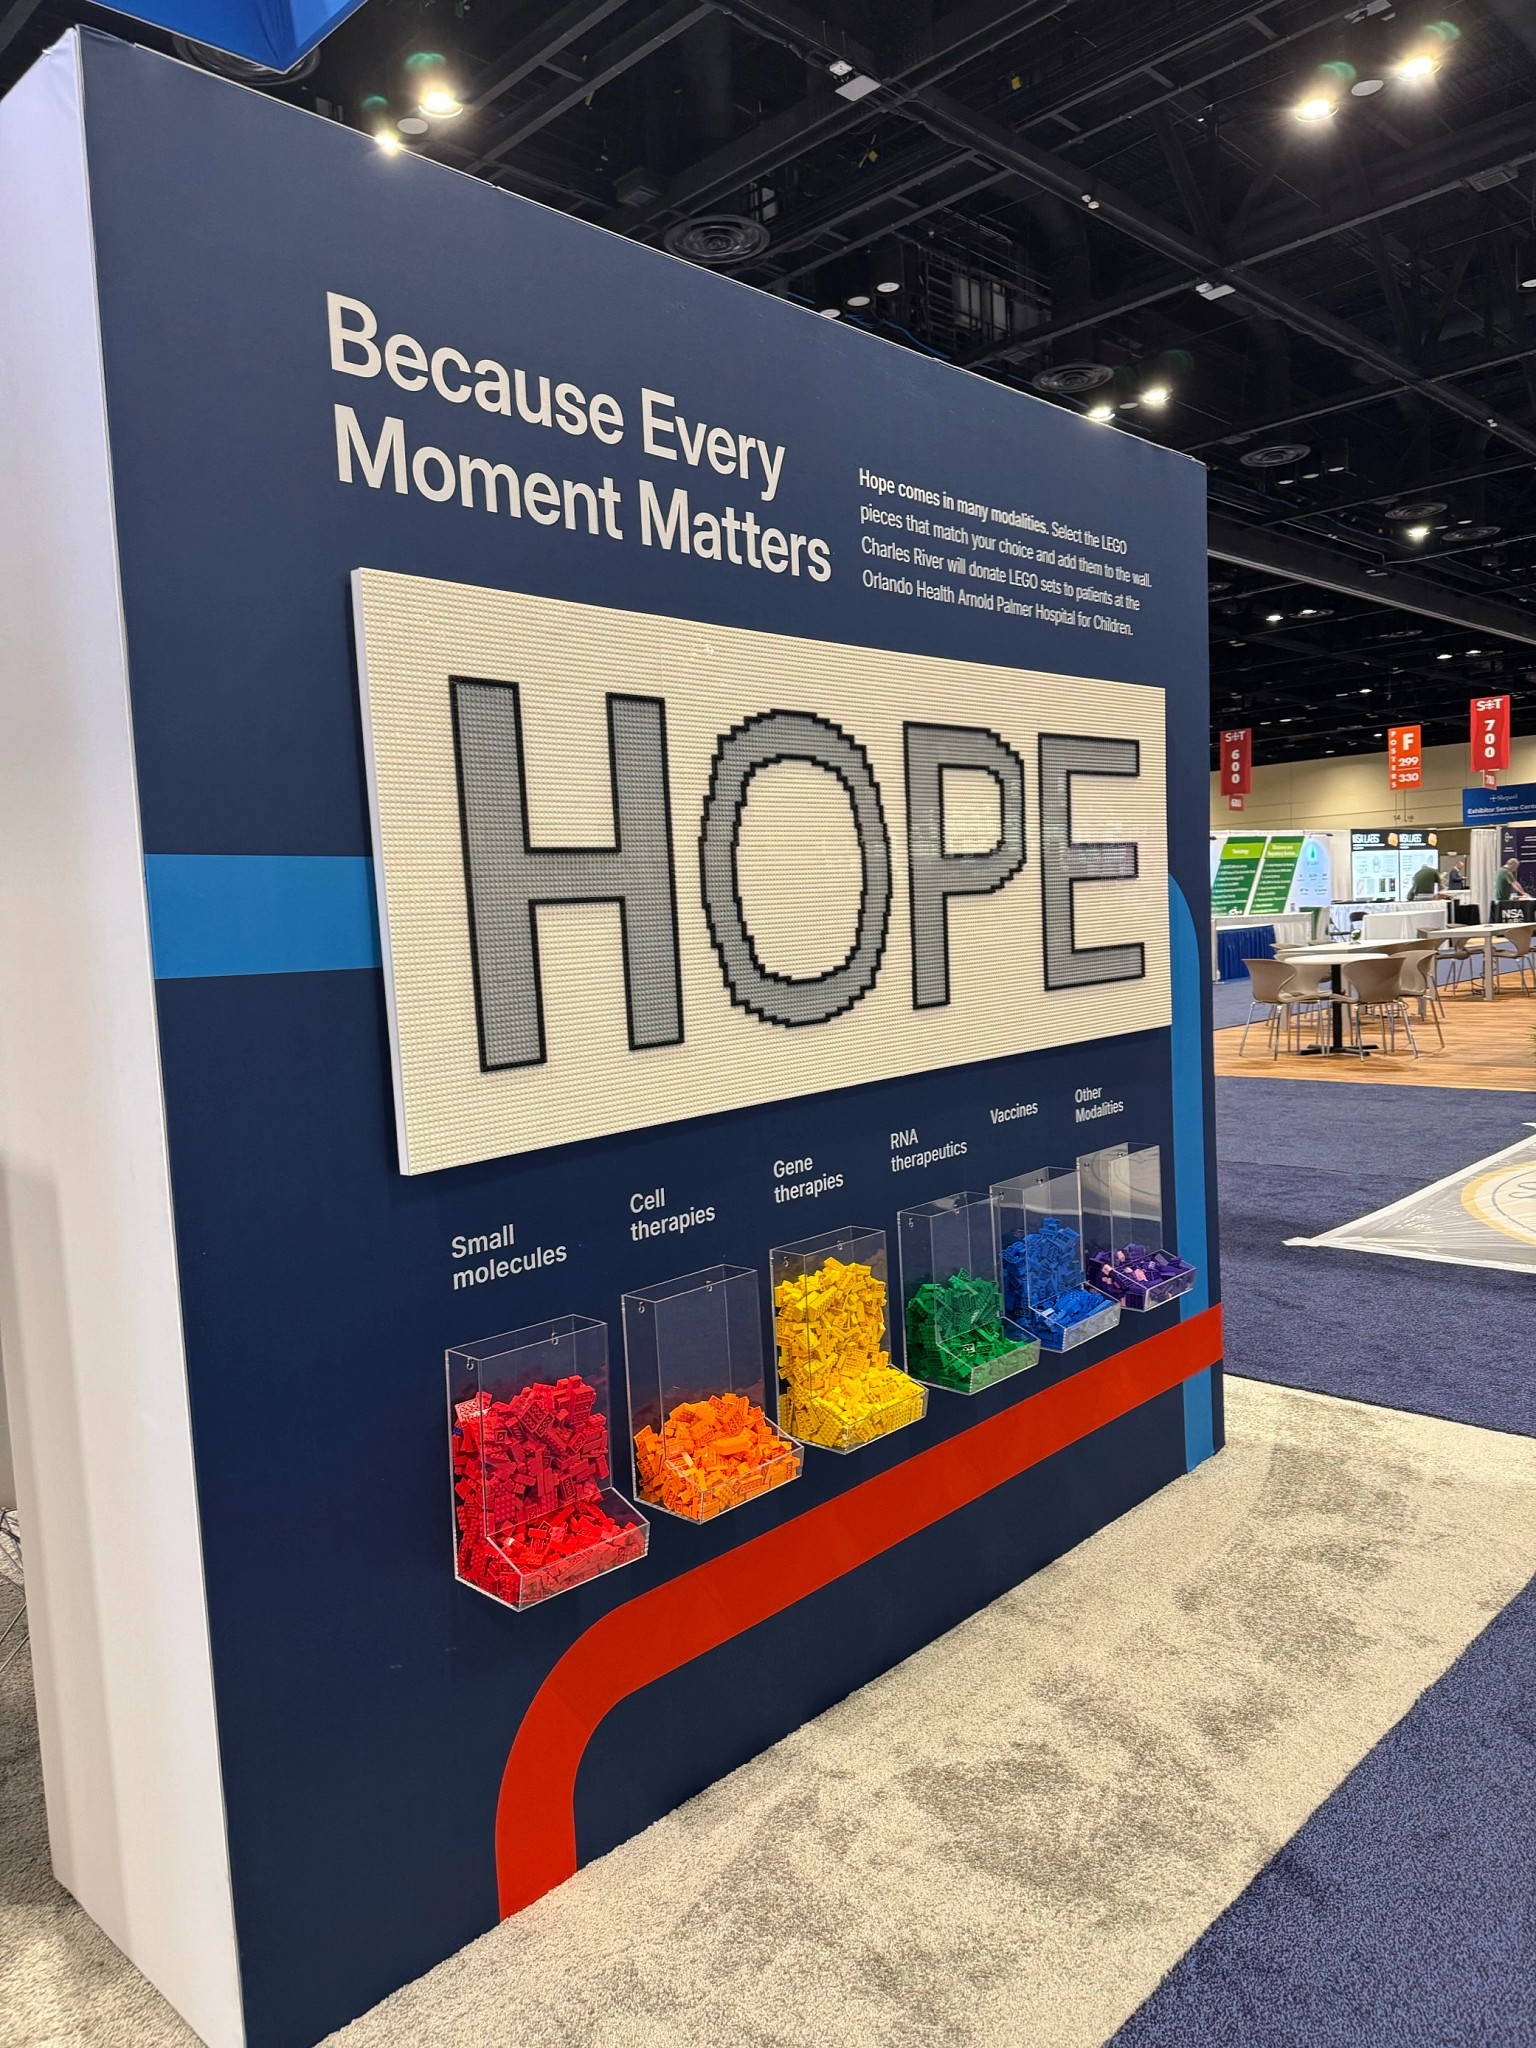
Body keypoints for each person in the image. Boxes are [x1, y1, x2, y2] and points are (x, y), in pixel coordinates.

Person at [1491, 856, 1532, 921]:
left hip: (1498, 898)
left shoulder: (1499, 870)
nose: (1515, 869)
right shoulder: (1507, 872)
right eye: (1516, 867)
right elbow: (1515, 884)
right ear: (1512, 864)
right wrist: (1523, 893)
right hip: (1503, 899)